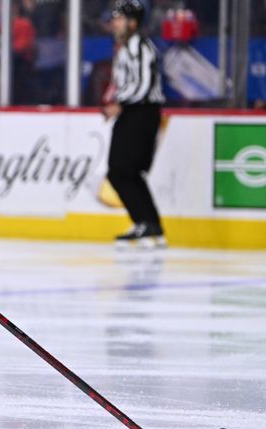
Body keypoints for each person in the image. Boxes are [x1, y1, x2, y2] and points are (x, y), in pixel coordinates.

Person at [102, 0, 166, 248]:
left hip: (141, 112)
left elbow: (143, 85)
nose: (114, 23)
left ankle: (146, 223)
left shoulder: (140, 47)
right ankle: (149, 224)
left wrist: (119, 102)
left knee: (122, 170)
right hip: (132, 112)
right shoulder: (126, 47)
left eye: (119, 19)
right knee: (123, 171)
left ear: (133, 22)